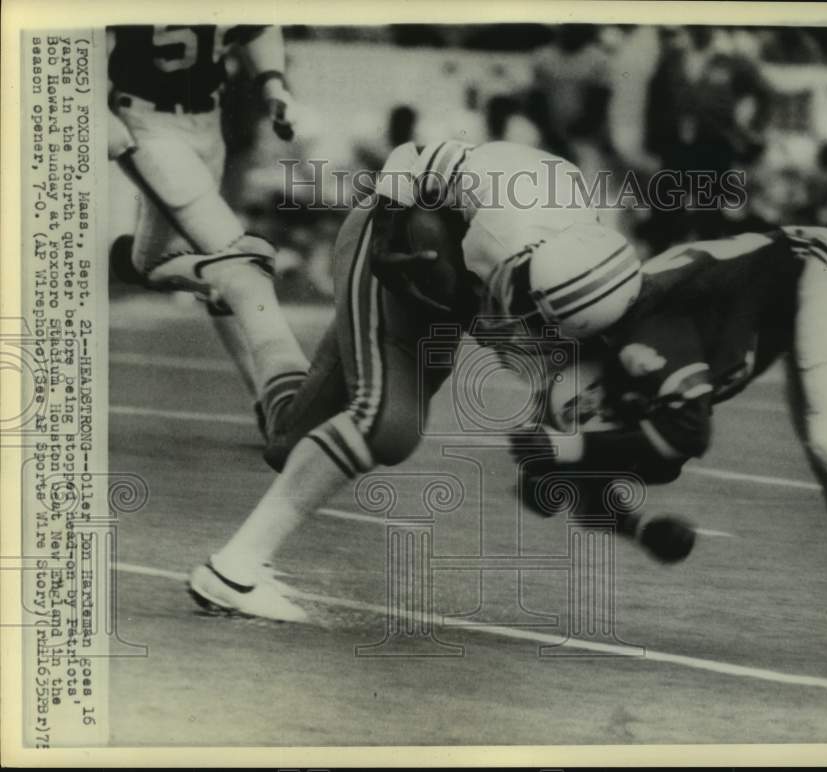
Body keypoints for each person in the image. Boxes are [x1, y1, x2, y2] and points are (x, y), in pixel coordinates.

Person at [186, 140, 643, 621]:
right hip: (404, 249)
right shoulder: (511, 204)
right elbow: (412, 154)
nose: (530, 328)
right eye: (531, 305)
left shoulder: (601, 284)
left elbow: (565, 363)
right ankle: (231, 573)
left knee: (291, 442)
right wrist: (384, 235)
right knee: (387, 422)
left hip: (454, 284)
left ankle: (245, 290)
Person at [511, 226, 827, 670]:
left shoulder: (648, 337)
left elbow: (686, 438)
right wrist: (635, 526)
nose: (596, 421)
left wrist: (571, 451)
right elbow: (612, 464)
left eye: (588, 409)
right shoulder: (602, 359)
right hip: (798, 300)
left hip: (820, 267)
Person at [107, 24, 310, 416]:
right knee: (241, 259)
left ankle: (133, 262)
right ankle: (286, 391)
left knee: (176, 262)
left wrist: (273, 86)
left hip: (208, 124)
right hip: (147, 126)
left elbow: (255, 24)